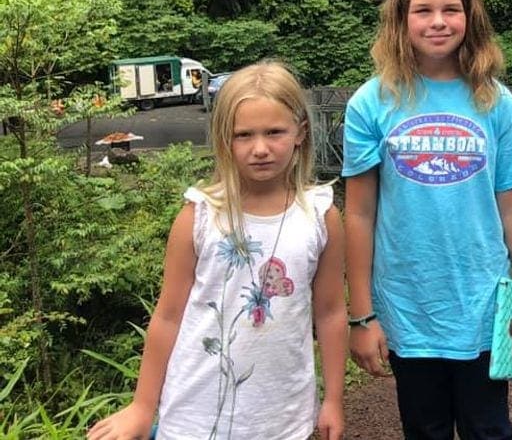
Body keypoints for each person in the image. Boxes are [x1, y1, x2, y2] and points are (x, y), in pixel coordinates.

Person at [342, 0, 512, 440]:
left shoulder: (494, 100)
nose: (438, 22)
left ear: (469, 16)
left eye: (451, 9)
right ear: (400, 19)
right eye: (423, 10)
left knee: (490, 427)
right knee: (425, 429)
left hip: (482, 305)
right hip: (409, 307)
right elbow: (359, 215)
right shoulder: (371, 102)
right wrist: (361, 314)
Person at [88, 62, 347, 440]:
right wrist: (143, 407)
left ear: (300, 134)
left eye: (274, 132)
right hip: (194, 417)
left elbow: (330, 313)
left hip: (281, 418)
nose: (260, 148)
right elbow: (168, 317)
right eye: (244, 135)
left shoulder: (321, 216)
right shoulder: (199, 216)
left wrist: (334, 401)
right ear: (225, 139)